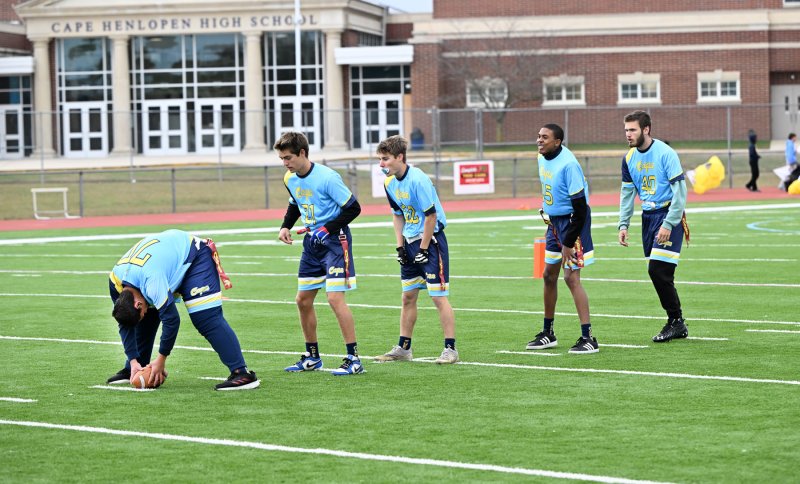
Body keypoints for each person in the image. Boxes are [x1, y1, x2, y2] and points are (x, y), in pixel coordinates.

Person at [107, 229, 259, 391]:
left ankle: (241, 373)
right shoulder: (116, 282)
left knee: (206, 318)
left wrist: (161, 359)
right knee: (146, 315)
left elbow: (172, 320)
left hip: (194, 258)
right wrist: (132, 360)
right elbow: (125, 322)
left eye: (140, 310)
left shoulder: (152, 281)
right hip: (163, 264)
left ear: (137, 304)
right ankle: (136, 367)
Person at [276, 132, 365, 376]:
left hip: (336, 242)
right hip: (312, 244)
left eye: (288, 157)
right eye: (282, 159)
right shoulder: (290, 178)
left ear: (302, 153)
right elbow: (295, 203)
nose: (285, 163)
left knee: (335, 299)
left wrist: (327, 229)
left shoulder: (327, 177)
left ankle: (353, 358)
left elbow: (353, 208)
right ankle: (313, 357)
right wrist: (285, 225)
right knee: (302, 300)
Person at [373, 135, 459, 365]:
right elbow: (397, 214)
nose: (381, 164)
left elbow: (430, 216)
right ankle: (403, 348)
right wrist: (400, 247)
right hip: (410, 242)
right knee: (408, 296)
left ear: (399, 157)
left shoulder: (418, 179)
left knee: (437, 296)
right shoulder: (390, 182)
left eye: (385, 159)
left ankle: (450, 349)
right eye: (380, 159)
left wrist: (423, 248)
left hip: (431, 242)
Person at [526, 123, 598, 354]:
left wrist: (568, 242)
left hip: (573, 222)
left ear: (557, 142)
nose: (539, 140)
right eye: (538, 136)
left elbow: (581, 209)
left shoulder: (569, 165)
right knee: (548, 275)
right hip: (555, 223)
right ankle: (548, 333)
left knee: (571, 278)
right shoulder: (541, 157)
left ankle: (588, 337)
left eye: (544, 137)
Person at [618, 110, 689, 343]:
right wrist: (623, 223)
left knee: (658, 270)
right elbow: (627, 194)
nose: (628, 134)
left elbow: (680, 192)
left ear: (646, 129)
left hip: (668, 214)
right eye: (626, 130)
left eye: (633, 130)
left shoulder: (666, 153)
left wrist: (670, 222)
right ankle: (676, 321)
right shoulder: (628, 159)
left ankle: (676, 321)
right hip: (647, 218)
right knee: (660, 272)